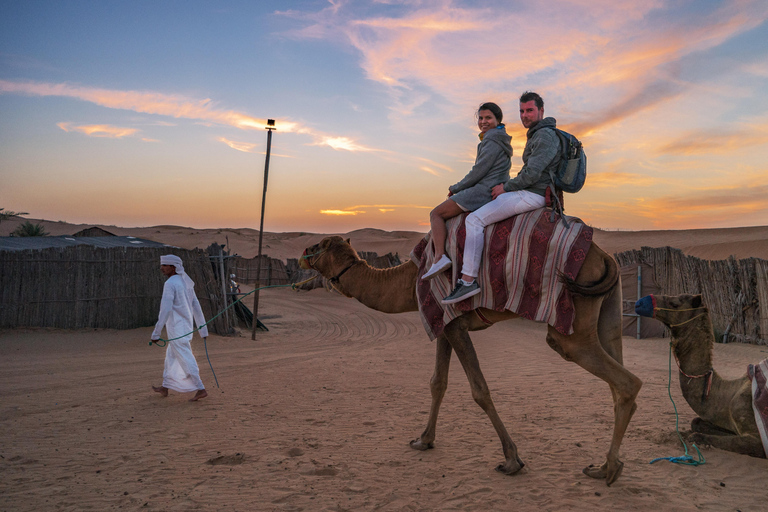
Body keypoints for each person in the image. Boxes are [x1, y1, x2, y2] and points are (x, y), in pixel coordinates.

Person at [442, 91, 560, 305]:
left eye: (530, 110)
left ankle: (467, 281)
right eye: (522, 111)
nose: (525, 115)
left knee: (474, 220)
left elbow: (531, 175)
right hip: (530, 191)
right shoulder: (537, 134)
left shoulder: (544, 136)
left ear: (541, 111)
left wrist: (506, 187)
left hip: (533, 195)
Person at [421, 102, 513, 280]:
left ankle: (439, 257)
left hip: (483, 190)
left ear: (497, 120)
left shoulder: (492, 140)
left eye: (488, 118)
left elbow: (479, 171)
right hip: (492, 186)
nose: (483, 121)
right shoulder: (499, 139)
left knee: (436, 214)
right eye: (480, 118)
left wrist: (456, 187)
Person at [151, 254, 209, 402]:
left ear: (173, 267)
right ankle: (165, 386)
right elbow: (196, 305)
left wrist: (156, 333)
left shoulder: (171, 283)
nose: (162, 268)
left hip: (177, 328)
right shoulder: (185, 282)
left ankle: (200, 388)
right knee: (170, 357)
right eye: (162, 265)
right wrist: (203, 330)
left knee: (185, 357)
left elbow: (165, 309)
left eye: (165, 265)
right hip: (184, 327)